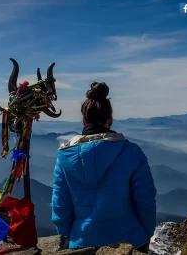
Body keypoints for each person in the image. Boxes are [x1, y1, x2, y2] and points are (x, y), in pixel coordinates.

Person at [51, 82, 157, 253]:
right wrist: (145, 235)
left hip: (81, 243)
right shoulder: (131, 152)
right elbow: (146, 201)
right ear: (110, 120)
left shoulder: (64, 159)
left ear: (84, 121)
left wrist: (67, 238)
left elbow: (60, 207)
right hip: (129, 242)